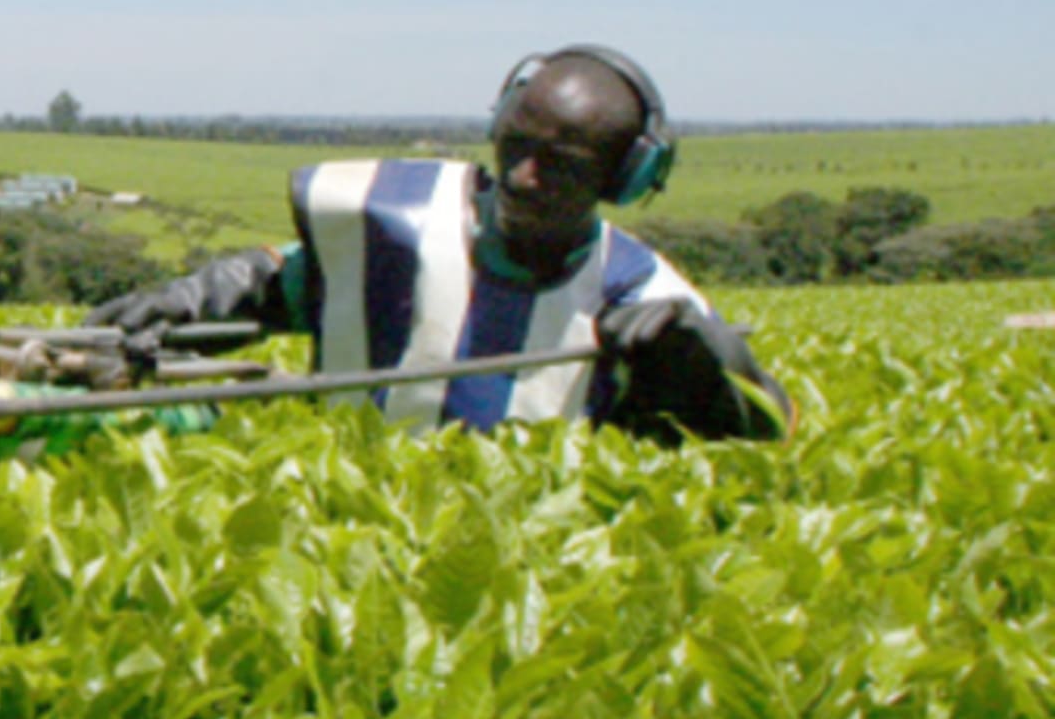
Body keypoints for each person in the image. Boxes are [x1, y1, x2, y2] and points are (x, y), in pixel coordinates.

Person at [85, 45, 792, 443]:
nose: (521, 177)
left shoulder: (644, 296)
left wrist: (705, 364)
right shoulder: (400, 220)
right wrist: (191, 303)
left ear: (624, 178)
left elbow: (768, 428)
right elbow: (287, 284)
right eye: (515, 145)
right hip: (342, 523)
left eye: (563, 167)